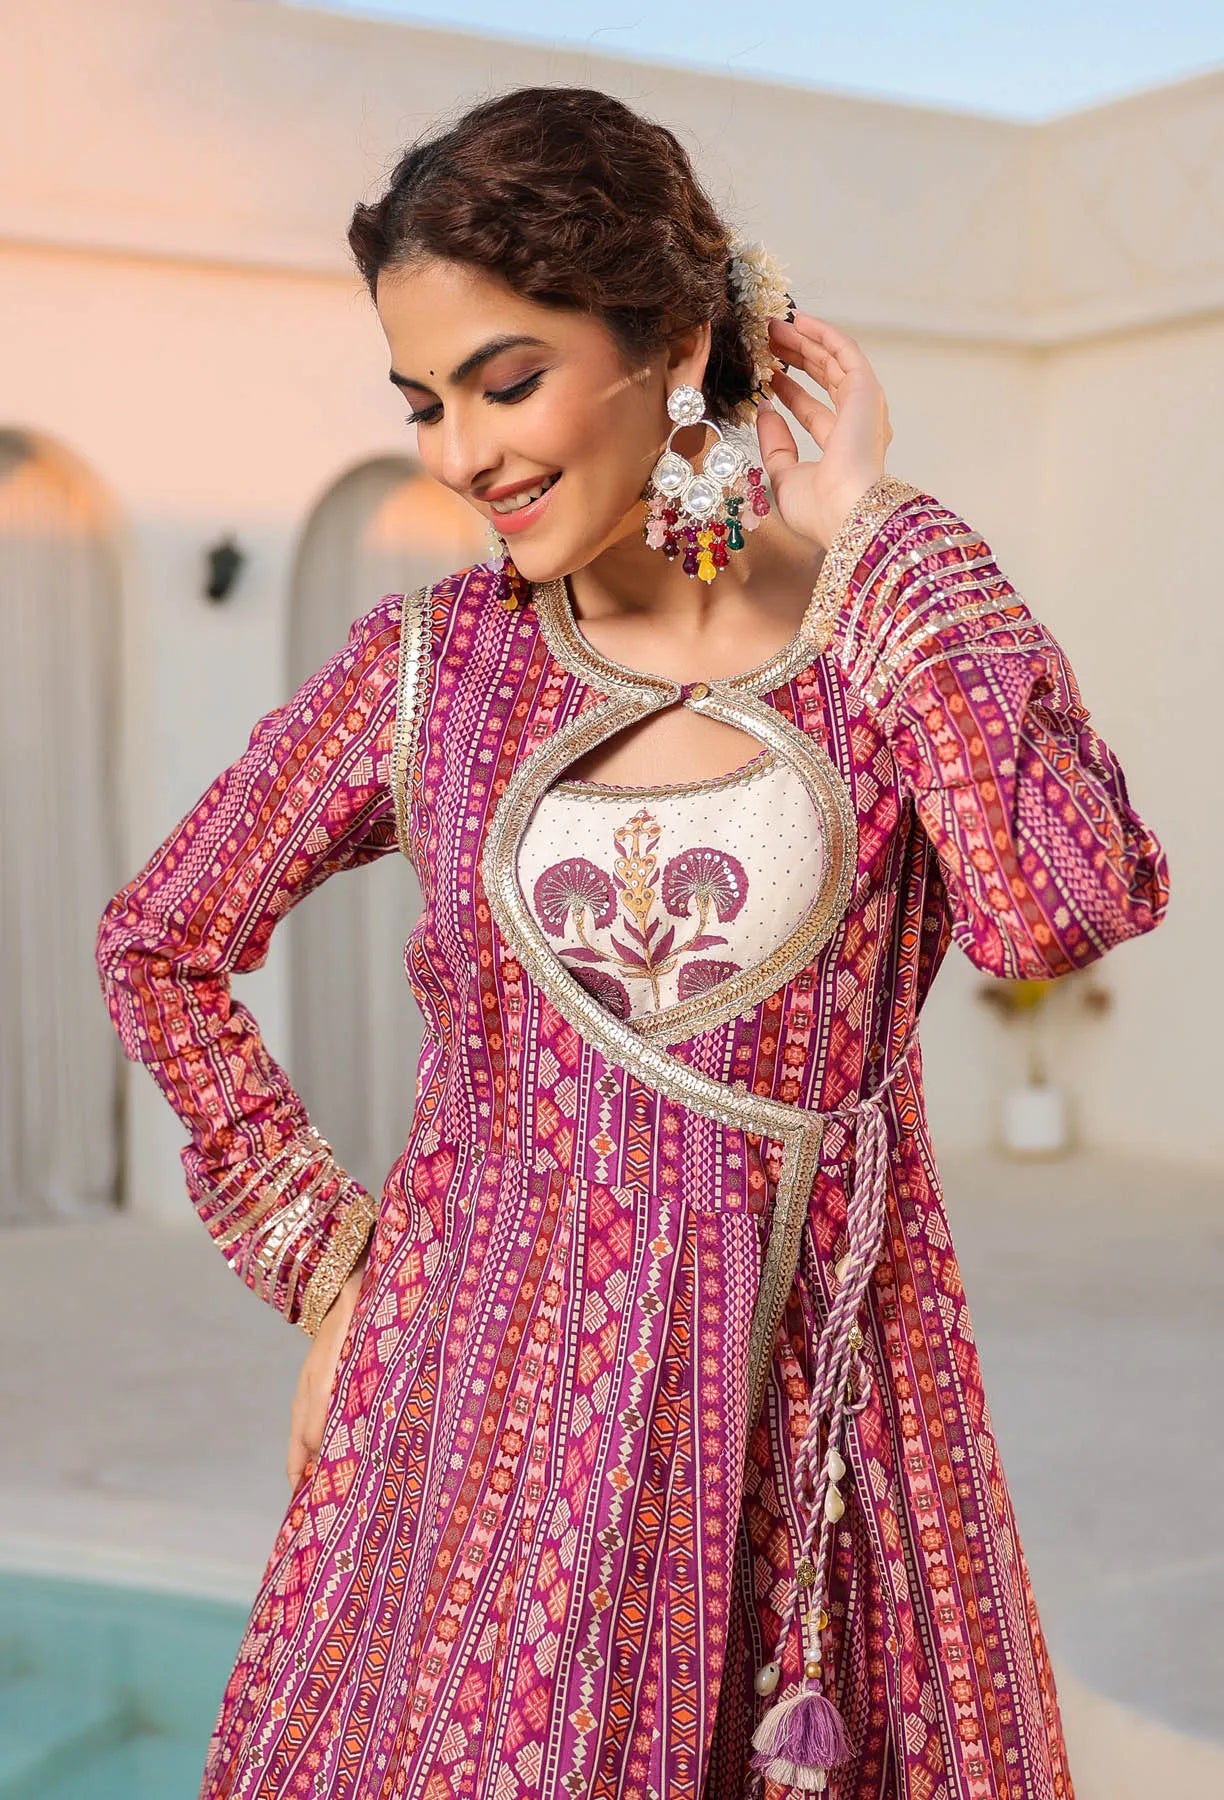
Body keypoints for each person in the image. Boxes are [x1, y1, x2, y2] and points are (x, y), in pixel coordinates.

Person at [95, 85, 1167, 1800]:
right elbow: (157, 937)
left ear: (673, 342)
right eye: (424, 401)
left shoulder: (869, 635)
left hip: (826, 1430)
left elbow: (1061, 904)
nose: (460, 455)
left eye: (506, 382)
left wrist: (885, 535)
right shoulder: (434, 667)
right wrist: (328, 1270)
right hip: (493, 1424)